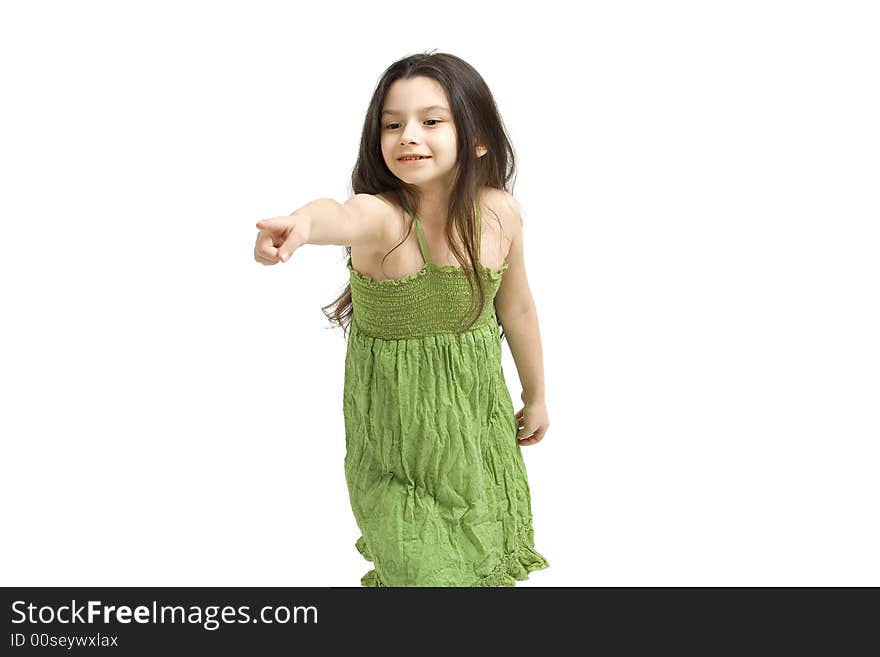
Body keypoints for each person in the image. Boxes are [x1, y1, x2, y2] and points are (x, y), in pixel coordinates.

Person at [253, 52, 550, 586]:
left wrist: (537, 395)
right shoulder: (382, 218)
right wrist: (300, 223)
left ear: (478, 137)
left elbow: (518, 307)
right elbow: (336, 214)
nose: (408, 135)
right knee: (422, 570)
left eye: (431, 121)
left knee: (477, 565)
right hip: (396, 449)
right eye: (393, 124)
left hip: (475, 431)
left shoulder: (500, 212)